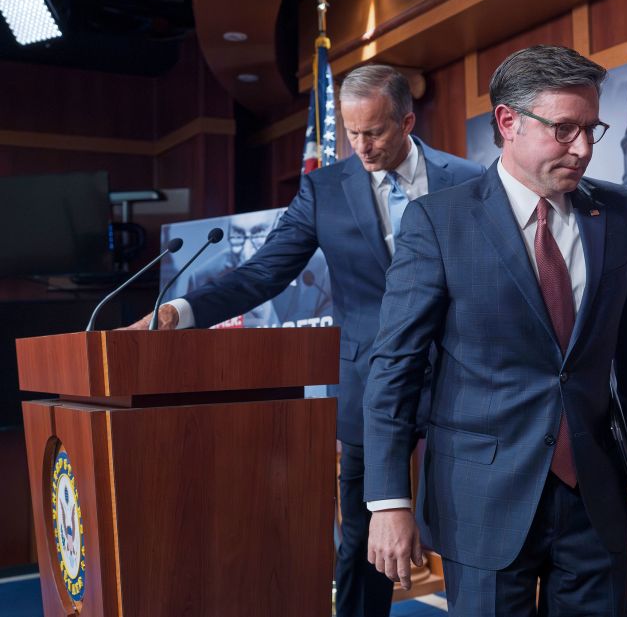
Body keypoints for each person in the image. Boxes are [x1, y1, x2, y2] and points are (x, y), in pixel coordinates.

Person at [125, 64, 484, 617]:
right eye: (351, 132)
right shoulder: (324, 189)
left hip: (460, 384)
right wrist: (179, 311)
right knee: (363, 547)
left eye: (375, 132)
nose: (360, 146)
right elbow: (263, 273)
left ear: (407, 120)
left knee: (469, 540)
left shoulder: (465, 178)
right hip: (369, 388)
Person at [363, 45, 627, 616]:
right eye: (565, 128)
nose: (582, 148)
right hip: (481, 499)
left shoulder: (619, 213)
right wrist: (388, 502)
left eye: (591, 129)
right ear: (508, 122)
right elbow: (395, 368)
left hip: (593, 494)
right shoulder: (438, 222)